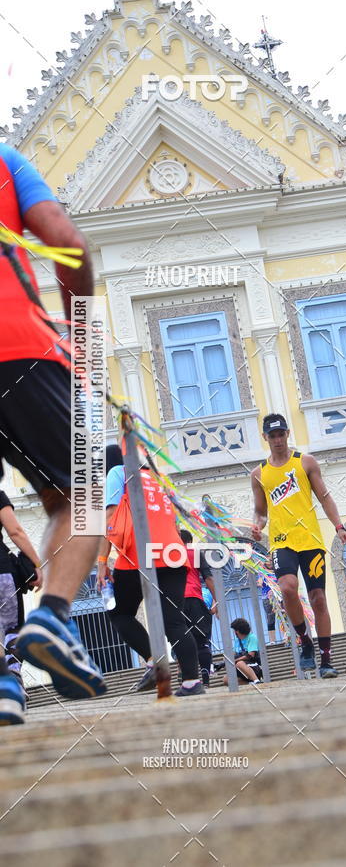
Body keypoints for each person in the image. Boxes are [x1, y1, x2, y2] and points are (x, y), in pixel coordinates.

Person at [0, 143, 106, 724]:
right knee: (81, 493)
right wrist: (79, 331)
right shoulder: (5, 161)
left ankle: (4, 681)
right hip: (19, 344)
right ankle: (51, 619)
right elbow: (67, 241)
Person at [250, 414, 346, 679]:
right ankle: (304, 641)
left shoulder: (305, 462)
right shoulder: (259, 473)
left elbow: (325, 497)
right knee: (287, 588)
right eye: (272, 436)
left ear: (287, 434)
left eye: (280, 434)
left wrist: (339, 527)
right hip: (282, 541)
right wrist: (257, 526)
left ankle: (327, 658)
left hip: (310, 540)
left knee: (319, 599)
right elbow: (261, 512)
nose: (277, 440)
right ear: (265, 438)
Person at [97, 444, 203, 697]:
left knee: (120, 613)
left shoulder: (117, 472)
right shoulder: (157, 479)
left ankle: (154, 661)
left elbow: (111, 514)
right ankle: (191, 682)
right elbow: (174, 522)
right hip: (172, 554)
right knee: (173, 621)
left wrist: (102, 561)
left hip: (138, 555)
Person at [0, 490, 42, 715]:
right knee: (13, 630)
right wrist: (37, 563)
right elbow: (15, 531)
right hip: (2, 575)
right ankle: (13, 683)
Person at [179, 528, 217, 689]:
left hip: (176, 602)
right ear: (190, 541)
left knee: (181, 640)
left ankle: (187, 679)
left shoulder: (167, 553)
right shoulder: (195, 553)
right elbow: (208, 577)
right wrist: (217, 601)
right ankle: (206, 678)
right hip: (195, 599)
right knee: (202, 642)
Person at [222, 617, 262, 685]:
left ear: (237, 631)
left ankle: (256, 680)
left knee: (239, 663)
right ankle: (250, 683)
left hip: (254, 666)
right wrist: (227, 660)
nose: (234, 632)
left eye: (234, 630)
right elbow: (234, 654)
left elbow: (250, 655)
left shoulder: (252, 637)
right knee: (226, 679)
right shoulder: (237, 641)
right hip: (241, 669)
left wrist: (235, 660)